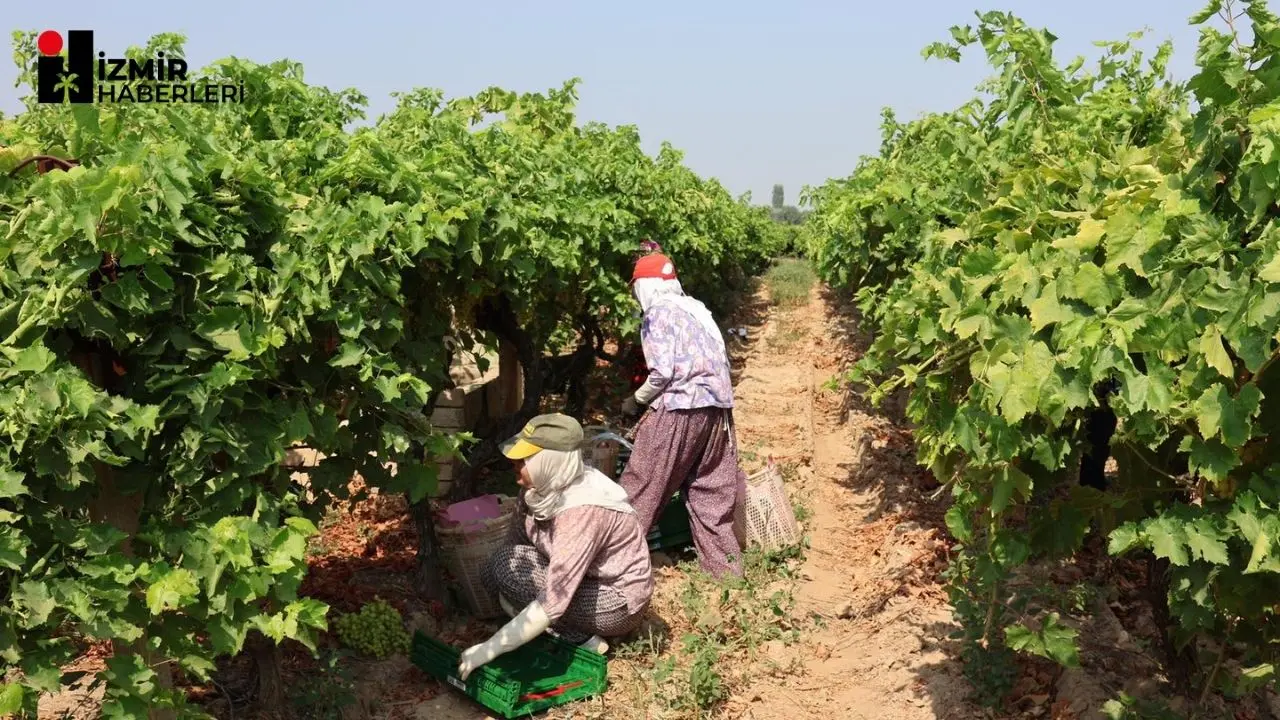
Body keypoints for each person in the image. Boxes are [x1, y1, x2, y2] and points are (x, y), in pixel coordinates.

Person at [458, 413, 654, 680]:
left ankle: (584, 640)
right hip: (580, 580)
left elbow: (554, 599)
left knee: (507, 571)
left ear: (549, 461)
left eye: (524, 459)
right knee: (497, 569)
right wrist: (498, 585)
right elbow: (514, 545)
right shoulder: (539, 489)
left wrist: (488, 650)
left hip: (615, 601)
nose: (514, 463)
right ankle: (555, 631)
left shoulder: (582, 509)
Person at [618, 253, 748, 579]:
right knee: (712, 493)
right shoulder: (697, 310)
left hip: (680, 407)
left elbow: (662, 373)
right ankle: (728, 576)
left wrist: (635, 401)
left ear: (645, 286)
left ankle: (611, 571)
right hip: (718, 412)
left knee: (640, 489)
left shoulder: (657, 314)